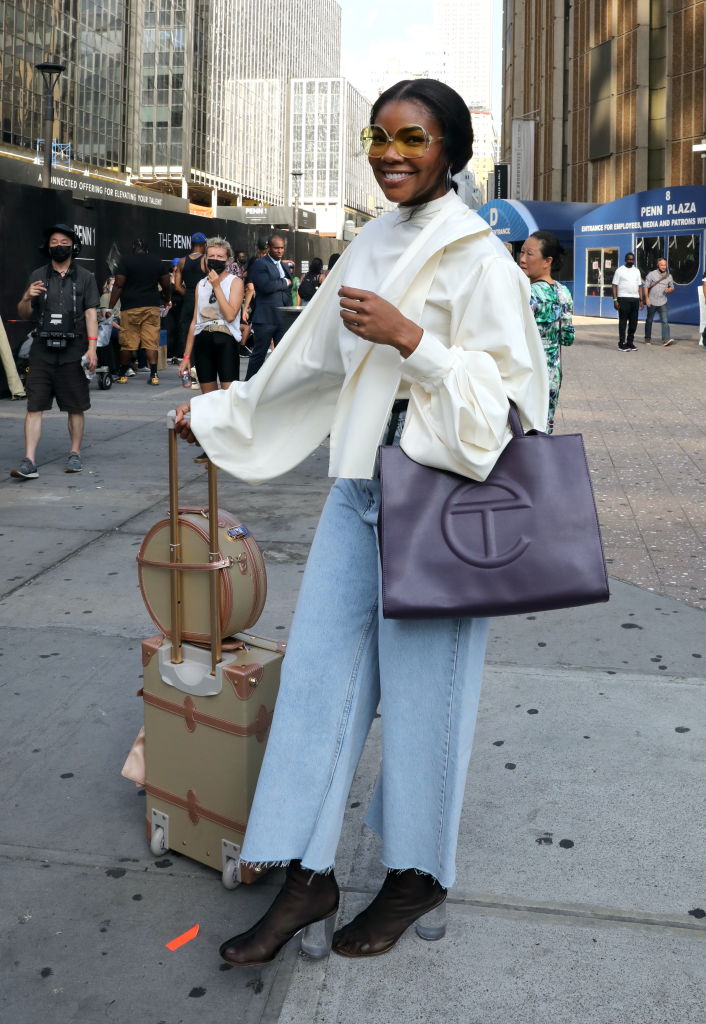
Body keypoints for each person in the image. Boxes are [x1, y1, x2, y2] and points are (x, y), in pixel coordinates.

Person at [174, 78, 548, 966]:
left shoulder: (479, 258)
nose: (389, 153)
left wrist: (412, 340)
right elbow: (306, 357)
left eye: (411, 138)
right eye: (378, 135)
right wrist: (221, 411)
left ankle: (417, 874)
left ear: (450, 152)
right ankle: (310, 875)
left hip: (444, 502)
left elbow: (511, 405)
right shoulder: (371, 241)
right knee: (320, 687)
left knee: (427, 697)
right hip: (359, 487)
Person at [11, 223, 99, 479]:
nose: (59, 246)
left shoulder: (86, 277)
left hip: (74, 349)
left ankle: (75, 453)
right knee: (34, 406)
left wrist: (92, 349)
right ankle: (29, 460)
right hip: (42, 349)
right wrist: (27, 297)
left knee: (75, 406)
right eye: (54, 242)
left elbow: (91, 313)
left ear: (73, 246)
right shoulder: (38, 274)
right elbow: (23, 313)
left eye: (64, 242)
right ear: (47, 247)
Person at [178, 238, 243, 462]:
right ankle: (211, 446)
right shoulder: (200, 285)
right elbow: (194, 321)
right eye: (211, 256)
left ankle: (231, 444)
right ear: (205, 258)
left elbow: (231, 314)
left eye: (220, 257)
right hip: (203, 340)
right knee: (207, 398)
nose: (215, 260)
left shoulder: (234, 282)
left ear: (228, 260)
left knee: (227, 396)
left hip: (225, 339)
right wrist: (186, 356)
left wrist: (217, 285)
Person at [519, 231, 574, 433]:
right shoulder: (563, 292)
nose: (522, 259)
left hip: (526, 373)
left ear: (547, 261)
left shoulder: (527, 293)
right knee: (543, 430)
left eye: (529, 254)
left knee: (520, 431)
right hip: (552, 374)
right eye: (522, 252)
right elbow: (568, 338)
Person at [109, 239, 171, 385]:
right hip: (151, 306)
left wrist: (110, 307)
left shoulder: (126, 261)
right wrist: (167, 299)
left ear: (133, 248)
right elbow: (167, 284)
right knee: (151, 342)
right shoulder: (157, 261)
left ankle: (123, 374)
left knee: (127, 343)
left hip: (130, 306)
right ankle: (154, 375)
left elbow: (118, 285)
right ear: (146, 249)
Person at [244, 233, 292, 379]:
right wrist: (284, 283)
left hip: (282, 319)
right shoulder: (260, 263)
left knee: (284, 357)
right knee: (259, 356)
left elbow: (287, 292)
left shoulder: (284, 265)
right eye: (276, 248)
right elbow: (265, 287)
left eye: (282, 248)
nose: (279, 251)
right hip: (265, 318)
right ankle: (248, 386)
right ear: (269, 248)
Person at [174, 233, 207, 362]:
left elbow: (177, 286)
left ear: (191, 245)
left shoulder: (182, 261)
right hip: (203, 301)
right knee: (203, 329)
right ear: (204, 245)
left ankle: (189, 360)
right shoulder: (206, 260)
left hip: (188, 301)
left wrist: (189, 295)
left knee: (187, 330)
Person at [611, 252, 643, 351]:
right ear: (625, 259)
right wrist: (615, 300)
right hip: (623, 298)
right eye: (629, 259)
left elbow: (640, 286)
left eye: (632, 259)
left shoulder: (637, 271)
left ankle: (630, 343)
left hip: (635, 299)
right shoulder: (619, 270)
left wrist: (641, 300)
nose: (630, 261)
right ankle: (621, 343)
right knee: (623, 322)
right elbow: (614, 285)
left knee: (634, 323)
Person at [643, 258, 674, 346]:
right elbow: (646, 286)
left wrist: (670, 289)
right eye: (662, 265)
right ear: (658, 265)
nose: (664, 267)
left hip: (663, 301)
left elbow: (672, 287)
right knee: (649, 320)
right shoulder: (651, 274)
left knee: (665, 321)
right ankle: (647, 339)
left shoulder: (669, 276)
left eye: (665, 265)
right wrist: (647, 299)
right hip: (651, 301)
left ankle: (666, 339)